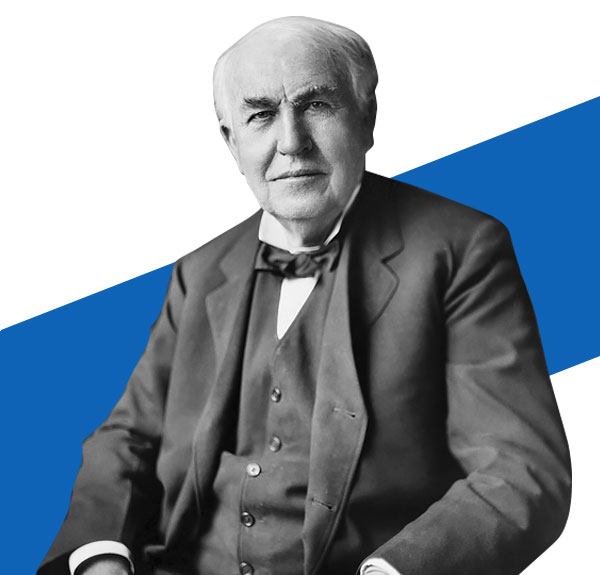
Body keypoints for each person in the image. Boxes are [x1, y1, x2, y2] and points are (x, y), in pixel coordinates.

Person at [39, 16, 571, 575]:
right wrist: (101, 561)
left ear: (366, 117)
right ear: (232, 142)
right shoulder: (198, 272)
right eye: (261, 115)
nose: (291, 142)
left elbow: (520, 471)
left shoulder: (462, 249)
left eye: (316, 105)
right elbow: (127, 438)